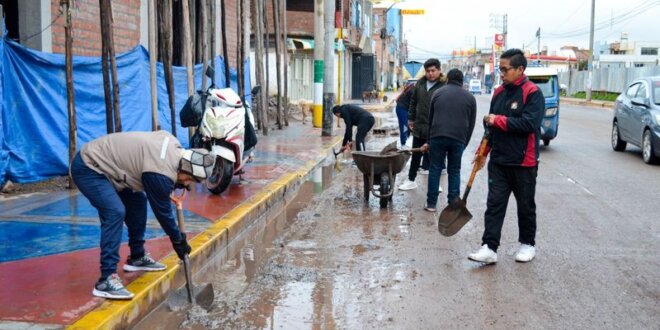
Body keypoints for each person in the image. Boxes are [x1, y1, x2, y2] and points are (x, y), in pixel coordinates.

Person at [70, 130, 215, 299]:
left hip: (114, 168)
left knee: (138, 202)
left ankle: (137, 257)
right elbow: (163, 213)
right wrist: (178, 240)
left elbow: (153, 172)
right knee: (114, 211)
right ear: (186, 169)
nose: (187, 183)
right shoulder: (160, 174)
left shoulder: (174, 145)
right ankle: (106, 280)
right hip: (89, 166)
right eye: (190, 179)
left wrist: (170, 183)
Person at [467, 49, 545, 264]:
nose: (501, 73)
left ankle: (527, 244)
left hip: (523, 162)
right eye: (499, 69)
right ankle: (489, 247)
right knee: (494, 205)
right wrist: (483, 152)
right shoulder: (499, 93)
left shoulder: (533, 93)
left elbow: (529, 124)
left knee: (525, 205)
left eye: (505, 69)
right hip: (499, 162)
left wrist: (497, 120)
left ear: (520, 69)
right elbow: (491, 128)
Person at [420, 69, 476, 212]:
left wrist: (429, 141)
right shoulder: (470, 98)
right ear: (462, 81)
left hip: (437, 136)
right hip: (458, 139)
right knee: (454, 170)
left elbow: (430, 120)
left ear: (447, 79)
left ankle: (431, 204)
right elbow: (471, 124)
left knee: (435, 169)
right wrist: (464, 143)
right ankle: (453, 205)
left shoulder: (437, 93)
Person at [398, 58, 446, 191]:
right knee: (416, 155)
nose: (430, 73)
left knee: (434, 156)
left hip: (435, 127)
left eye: (433, 70)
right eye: (428, 71)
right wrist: (410, 119)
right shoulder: (420, 83)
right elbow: (413, 102)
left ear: (439, 70)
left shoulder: (443, 86)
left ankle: (436, 184)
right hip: (419, 125)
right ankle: (411, 180)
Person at [395, 82, 415, 148]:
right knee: (404, 127)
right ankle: (403, 144)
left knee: (407, 127)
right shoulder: (413, 90)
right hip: (402, 109)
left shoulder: (412, 88)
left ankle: (405, 142)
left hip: (403, 108)